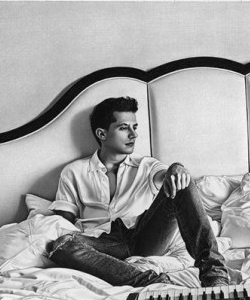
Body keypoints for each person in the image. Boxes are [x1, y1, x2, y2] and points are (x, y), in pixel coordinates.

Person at [48, 96, 230, 288]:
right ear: (102, 134)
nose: (133, 135)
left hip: (145, 237)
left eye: (135, 127)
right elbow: (61, 222)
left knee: (180, 180)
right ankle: (155, 283)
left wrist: (176, 169)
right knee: (62, 244)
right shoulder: (73, 172)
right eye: (124, 128)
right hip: (100, 243)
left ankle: (215, 277)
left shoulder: (146, 165)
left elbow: (165, 174)